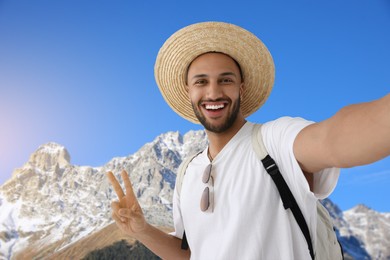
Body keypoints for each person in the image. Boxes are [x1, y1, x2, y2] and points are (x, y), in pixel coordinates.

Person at [107, 21, 390, 259]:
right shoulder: (186, 174)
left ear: (241, 87)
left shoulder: (273, 140)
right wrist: (142, 230)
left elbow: (333, 140)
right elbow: (191, 254)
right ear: (188, 91)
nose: (213, 92)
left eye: (226, 80)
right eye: (201, 82)